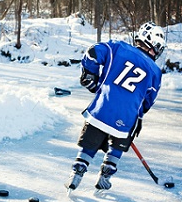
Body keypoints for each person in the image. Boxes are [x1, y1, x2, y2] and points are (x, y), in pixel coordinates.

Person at [65, 21, 166, 192]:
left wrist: (90, 76)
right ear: (154, 45)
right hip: (125, 120)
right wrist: (137, 115)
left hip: (100, 111)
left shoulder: (117, 47)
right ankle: (106, 176)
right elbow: (147, 103)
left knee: (90, 143)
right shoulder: (155, 72)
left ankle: (77, 174)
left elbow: (93, 52)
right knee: (122, 137)